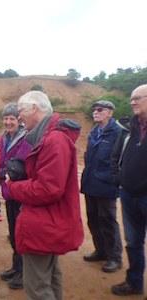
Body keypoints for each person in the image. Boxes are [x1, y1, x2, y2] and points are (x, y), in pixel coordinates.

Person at [7, 91, 84, 299]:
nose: (19, 116)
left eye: (21, 110)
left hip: (44, 222)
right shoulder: (49, 137)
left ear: (34, 108)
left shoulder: (54, 140)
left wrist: (13, 187)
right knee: (50, 278)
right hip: (48, 221)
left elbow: (48, 188)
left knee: (37, 286)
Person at [111, 84, 147, 296]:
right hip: (128, 195)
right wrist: (119, 179)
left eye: (137, 98)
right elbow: (116, 156)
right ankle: (134, 283)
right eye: (131, 98)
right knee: (133, 242)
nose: (132, 101)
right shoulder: (130, 128)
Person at [80, 100, 123, 273]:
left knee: (108, 220)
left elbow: (121, 160)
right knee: (93, 219)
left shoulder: (118, 132)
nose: (95, 112)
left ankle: (115, 257)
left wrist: (114, 179)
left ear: (110, 113)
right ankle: (101, 251)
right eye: (94, 110)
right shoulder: (94, 132)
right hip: (91, 183)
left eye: (100, 109)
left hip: (106, 185)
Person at [0, 103, 31, 290]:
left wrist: (3, 173)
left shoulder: (25, 138)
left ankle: (23, 272)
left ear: (18, 120)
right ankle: (16, 266)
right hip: (9, 190)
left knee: (21, 232)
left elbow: (20, 166)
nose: (8, 122)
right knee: (13, 231)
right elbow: (3, 162)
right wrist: (1, 174)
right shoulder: (4, 138)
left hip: (20, 191)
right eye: (6, 118)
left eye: (12, 118)